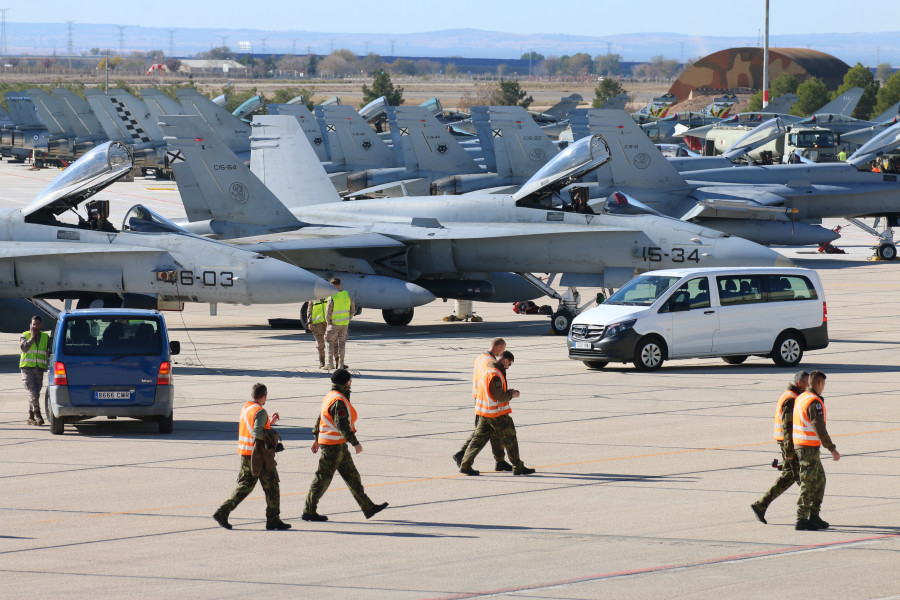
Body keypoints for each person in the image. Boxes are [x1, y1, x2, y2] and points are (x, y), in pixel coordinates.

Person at [302, 369, 388, 522]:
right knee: (322, 479)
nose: (351, 382)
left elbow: (320, 418)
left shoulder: (332, 396)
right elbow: (341, 425)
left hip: (339, 445)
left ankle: (368, 507)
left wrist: (316, 437)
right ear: (344, 382)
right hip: (332, 447)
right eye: (349, 380)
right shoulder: (338, 401)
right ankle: (309, 510)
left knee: (353, 476)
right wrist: (355, 443)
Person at [213, 383, 291, 531]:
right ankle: (273, 519)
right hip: (259, 456)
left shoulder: (246, 408)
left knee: (245, 486)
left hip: (245, 454)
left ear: (252, 395)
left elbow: (253, 427)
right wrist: (272, 438)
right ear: (265, 395)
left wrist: (270, 423)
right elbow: (257, 432)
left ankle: (223, 511)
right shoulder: (260, 411)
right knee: (272, 486)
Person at [459, 351, 535, 476]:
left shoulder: (489, 368)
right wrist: (511, 395)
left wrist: (507, 391)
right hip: (495, 413)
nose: (508, 367)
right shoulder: (495, 373)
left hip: (484, 411)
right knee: (510, 437)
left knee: (479, 439)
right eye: (509, 364)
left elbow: (493, 390)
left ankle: (465, 464)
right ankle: (518, 466)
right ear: (505, 360)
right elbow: (498, 395)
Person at [751, 371, 808, 524]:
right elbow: (787, 427)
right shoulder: (791, 399)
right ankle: (808, 515)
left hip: (787, 443)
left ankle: (761, 505)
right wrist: (789, 451)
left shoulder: (791, 395)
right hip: (788, 443)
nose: (809, 386)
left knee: (790, 476)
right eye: (807, 383)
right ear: (800, 383)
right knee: (804, 480)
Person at [452, 338, 512, 472]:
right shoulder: (491, 362)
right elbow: (491, 379)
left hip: (478, 396)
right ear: (497, 347)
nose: (502, 352)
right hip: (485, 399)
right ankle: (462, 454)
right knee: (482, 431)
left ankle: (500, 461)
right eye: (502, 349)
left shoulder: (480, 357)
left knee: (491, 431)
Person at [793, 370, 840, 531]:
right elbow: (819, 426)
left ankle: (814, 515)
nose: (824, 387)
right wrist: (831, 448)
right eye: (824, 384)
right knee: (809, 482)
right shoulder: (814, 402)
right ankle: (801, 518)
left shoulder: (801, 398)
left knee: (819, 480)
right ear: (819, 384)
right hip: (807, 447)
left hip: (804, 446)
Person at [20, 315, 50, 426]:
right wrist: (32, 337)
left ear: (40, 325)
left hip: (39, 369)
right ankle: (38, 414)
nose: (34, 326)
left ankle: (30, 415)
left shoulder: (45, 337)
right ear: (30, 324)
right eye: (33, 324)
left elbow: (49, 350)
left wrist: (49, 354)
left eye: (37, 324)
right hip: (27, 368)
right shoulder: (25, 335)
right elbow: (24, 348)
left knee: (35, 394)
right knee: (33, 392)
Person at [325, 277, 355, 370]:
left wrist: (328, 320)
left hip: (334, 323)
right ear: (340, 284)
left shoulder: (332, 296)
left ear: (332, 285)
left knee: (329, 341)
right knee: (342, 343)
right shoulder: (347, 294)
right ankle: (341, 364)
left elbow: (328, 310)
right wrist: (348, 318)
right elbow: (353, 309)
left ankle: (330, 363)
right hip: (344, 324)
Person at [306, 297, 328, 369]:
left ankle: (335, 361)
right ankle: (322, 361)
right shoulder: (313, 297)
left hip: (329, 322)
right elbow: (309, 310)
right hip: (317, 323)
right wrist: (309, 322)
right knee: (320, 343)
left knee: (333, 342)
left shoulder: (329, 296)